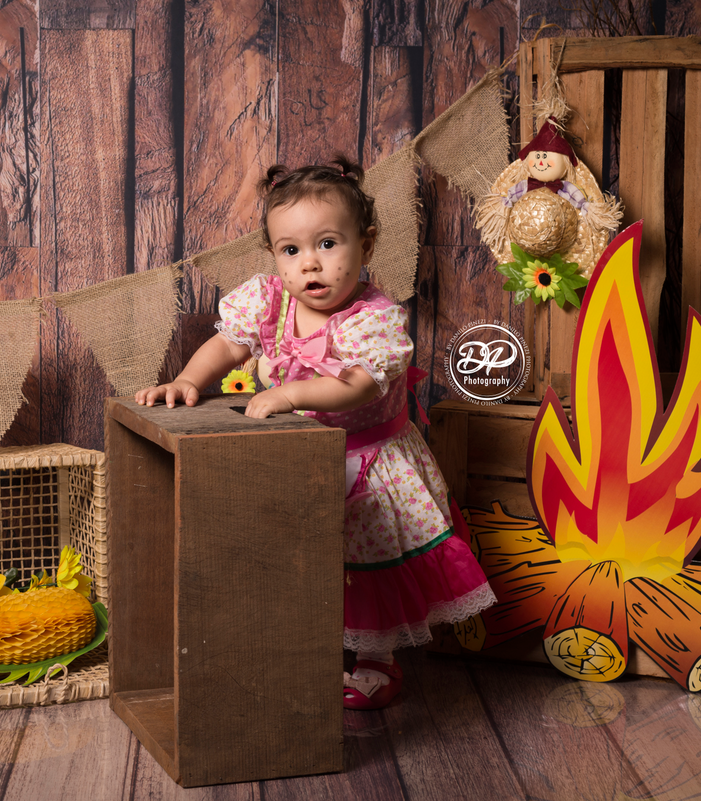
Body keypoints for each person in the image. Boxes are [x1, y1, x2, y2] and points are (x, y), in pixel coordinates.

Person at [135, 156, 496, 709]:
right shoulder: (269, 301)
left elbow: (359, 385)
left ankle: (377, 661)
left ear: (366, 244)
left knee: (368, 563)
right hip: (292, 458)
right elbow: (229, 345)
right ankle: (306, 646)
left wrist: (291, 393)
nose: (311, 265)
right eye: (292, 250)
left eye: (328, 244)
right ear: (274, 256)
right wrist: (186, 380)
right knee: (300, 557)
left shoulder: (372, 319)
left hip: (368, 462)